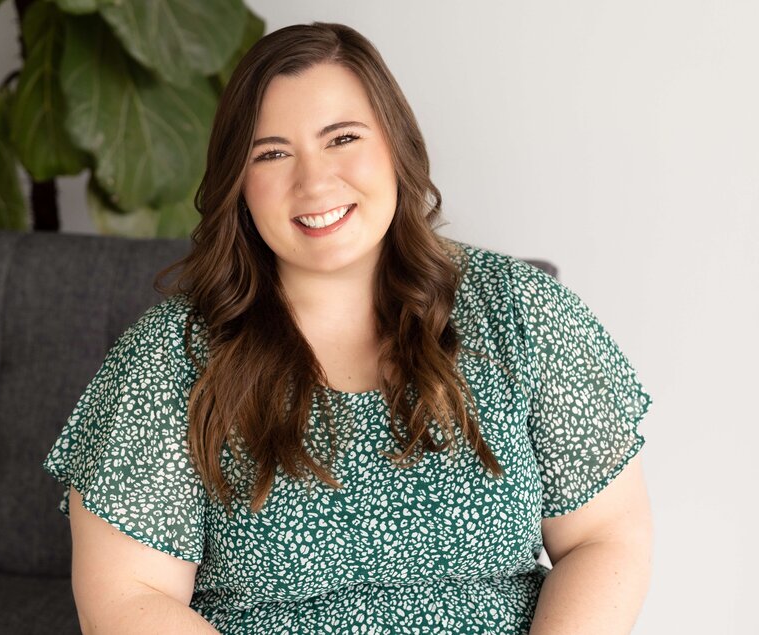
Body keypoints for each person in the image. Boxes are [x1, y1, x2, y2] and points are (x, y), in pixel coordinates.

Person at [42, 21, 654, 635]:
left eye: (342, 138)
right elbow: (128, 597)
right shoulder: (170, 355)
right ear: (239, 183)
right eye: (273, 153)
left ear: (396, 145)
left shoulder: (521, 309)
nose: (314, 182)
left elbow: (604, 537)